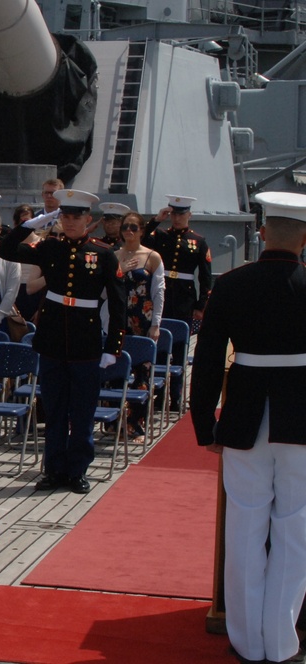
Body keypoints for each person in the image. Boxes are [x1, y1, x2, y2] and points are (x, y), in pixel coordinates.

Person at [190, 191, 306, 664]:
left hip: (242, 417)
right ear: (305, 239)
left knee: (244, 527)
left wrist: (203, 424)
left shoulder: (232, 285)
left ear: (261, 233)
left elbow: (209, 359)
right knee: (295, 530)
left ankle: (247, 641)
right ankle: (280, 642)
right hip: (301, 418)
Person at [0, 188, 127, 494]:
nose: (70, 222)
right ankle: (54, 469)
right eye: (65, 216)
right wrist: (33, 224)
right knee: (54, 408)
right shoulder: (49, 247)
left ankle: (77, 470)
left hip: (85, 339)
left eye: (76, 217)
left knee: (82, 411)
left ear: (88, 220)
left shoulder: (104, 255)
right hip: (54, 336)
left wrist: (113, 347)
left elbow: (119, 303)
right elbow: (6, 249)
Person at [142, 194, 213, 410]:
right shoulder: (161, 235)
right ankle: (159, 395)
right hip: (162, 295)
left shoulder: (198, 241)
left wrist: (201, 305)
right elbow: (141, 240)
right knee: (161, 346)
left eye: (181, 214)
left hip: (184, 298)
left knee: (180, 347)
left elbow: (206, 276)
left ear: (189, 215)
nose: (177, 218)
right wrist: (156, 220)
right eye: (173, 214)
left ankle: (176, 397)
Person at [114, 211, 164, 439]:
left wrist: (156, 324)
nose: (129, 231)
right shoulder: (115, 256)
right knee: (116, 369)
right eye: (125, 227)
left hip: (142, 317)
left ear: (142, 231)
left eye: (134, 227)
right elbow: (105, 289)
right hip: (119, 317)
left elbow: (158, 292)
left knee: (141, 373)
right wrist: (120, 270)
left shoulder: (152, 256)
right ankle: (116, 422)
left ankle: (136, 423)